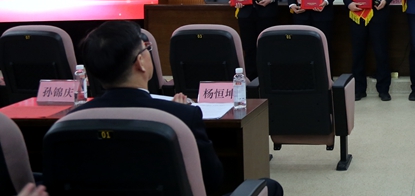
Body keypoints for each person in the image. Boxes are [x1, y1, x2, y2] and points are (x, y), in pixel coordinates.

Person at [74, 21, 283, 195]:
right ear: (140, 63)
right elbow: (213, 180)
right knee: (270, 187)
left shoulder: (73, 119)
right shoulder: (181, 116)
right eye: (146, 49)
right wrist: (178, 114)